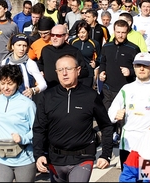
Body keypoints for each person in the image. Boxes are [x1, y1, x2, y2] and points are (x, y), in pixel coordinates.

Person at [33, 54, 114, 182]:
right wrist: (39, 154)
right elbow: (39, 128)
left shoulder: (91, 96)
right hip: (55, 159)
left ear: (78, 70)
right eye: (60, 70)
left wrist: (106, 155)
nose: (64, 73)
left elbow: (106, 126)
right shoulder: (47, 96)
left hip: (83, 158)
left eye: (68, 69)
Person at [108, 52, 150, 170]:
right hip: (128, 142)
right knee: (128, 178)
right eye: (138, 65)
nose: (141, 68)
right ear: (134, 67)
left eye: (145, 65)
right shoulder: (126, 89)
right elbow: (112, 110)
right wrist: (115, 114)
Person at [0, 65, 37, 182]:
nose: (6, 87)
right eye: (3, 83)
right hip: (0, 158)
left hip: (25, 158)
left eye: (10, 84)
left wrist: (23, 138)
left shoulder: (28, 104)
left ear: (18, 83)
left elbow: (37, 130)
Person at [37, 24, 89, 89]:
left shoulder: (74, 51)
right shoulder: (46, 50)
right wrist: (41, 71)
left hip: (66, 89)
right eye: (52, 35)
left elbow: (84, 71)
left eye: (58, 35)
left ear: (66, 36)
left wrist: (70, 75)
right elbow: (40, 64)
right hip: (48, 89)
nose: (54, 38)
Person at [1, 33, 47, 100]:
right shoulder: (5, 62)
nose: (22, 49)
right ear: (12, 46)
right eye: (19, 45)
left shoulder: (30, 64)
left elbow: (43, 84)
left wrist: (33, 90)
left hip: (24, 101)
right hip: (7, 100)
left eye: (24, 46)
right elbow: (1, 81)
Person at [69, 21, 100, 88]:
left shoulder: (94, 43)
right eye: (79, 33)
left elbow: (100, 57)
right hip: (75, 73)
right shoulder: (73, 42)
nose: (81, 35)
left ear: (88, 32)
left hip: (88, 74)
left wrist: (96, 63)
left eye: (83, 32)